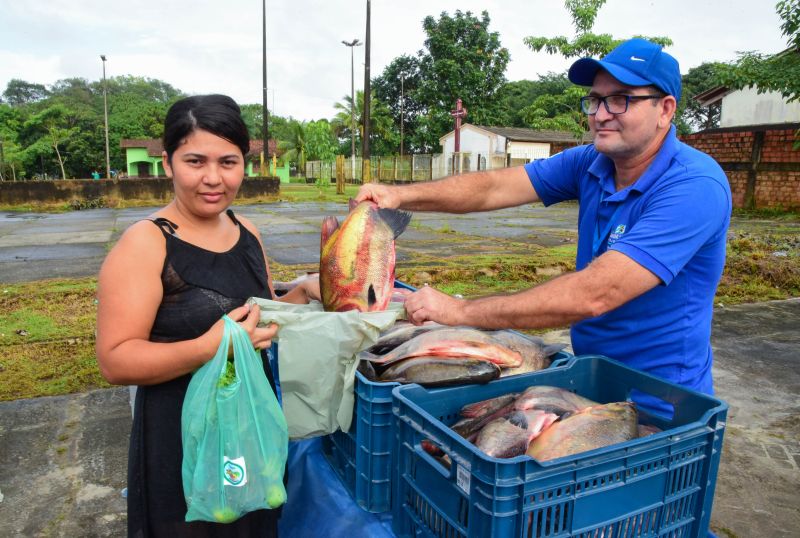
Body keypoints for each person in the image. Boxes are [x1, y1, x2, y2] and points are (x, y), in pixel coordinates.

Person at [356, 39, 732, 416]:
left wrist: (460, 310)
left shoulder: (694, 186)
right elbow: (493, 188)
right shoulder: (592, 162)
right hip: (590, 378)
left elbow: (596, 293)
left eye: (621, 100)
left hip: (663, 403)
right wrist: (398, 195)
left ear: (665, 109)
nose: (601, 114)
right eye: (595, 100)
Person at [95, 94, 319, 537]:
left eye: (228, 162)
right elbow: (115, 360)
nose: (213, 178)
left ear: (246, 166)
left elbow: (256, 318)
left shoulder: (246, 231)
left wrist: (303, 294)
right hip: (182, 440)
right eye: (195, 161)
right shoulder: (147, 243)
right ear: (168, 164)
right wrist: (207, 348)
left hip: (249, 427)